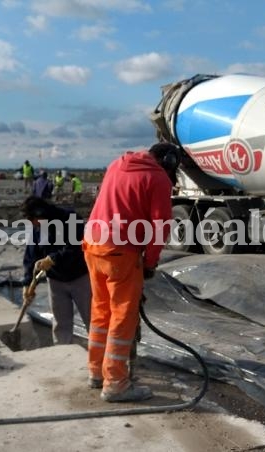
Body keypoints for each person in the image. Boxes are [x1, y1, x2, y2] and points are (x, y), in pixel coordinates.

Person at [83, 142, 180, 403]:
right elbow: (160, 226)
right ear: (168, 161)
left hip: (93, 244)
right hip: (120, 250)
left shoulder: (116, 164)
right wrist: (150, 262)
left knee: (101, 311)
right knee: (122, 316)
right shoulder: (158, 178)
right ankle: (115, 383)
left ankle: (96, 372)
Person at [21, 196, 92, 345]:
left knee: (92, 318)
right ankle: (63, 350)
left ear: (41, 214)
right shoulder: (38, 227)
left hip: (80, 277)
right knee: (60, 322)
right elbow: (31, 255)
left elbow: (78, 247)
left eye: (33, 220)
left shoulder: (70, 219)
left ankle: (100, 353)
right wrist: (27, 283)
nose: (33, 225)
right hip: (56, 280)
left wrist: (53, 259)